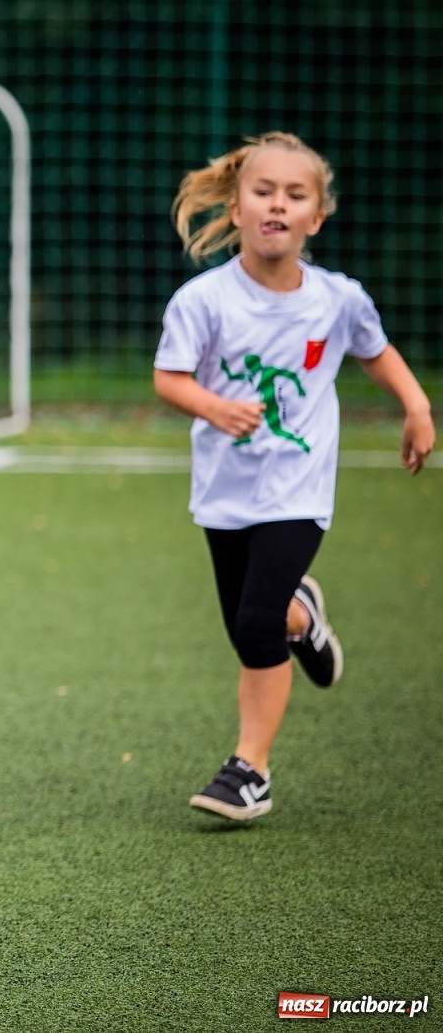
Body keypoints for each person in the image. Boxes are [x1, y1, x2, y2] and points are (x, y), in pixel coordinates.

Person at [153, 132, 434, 821]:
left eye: (295, 194)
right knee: (255, 619)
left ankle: (250, 771)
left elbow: (375, 352)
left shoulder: (337, 300)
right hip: (225, 492)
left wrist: (417, 404)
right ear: (239, 206)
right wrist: (214, 407)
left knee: (254, 627)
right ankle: (302, 619)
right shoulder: (204, 300)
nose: (277, 204)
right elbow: (168, 378)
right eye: (263, 191)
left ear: (317, 216)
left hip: (298, 490)